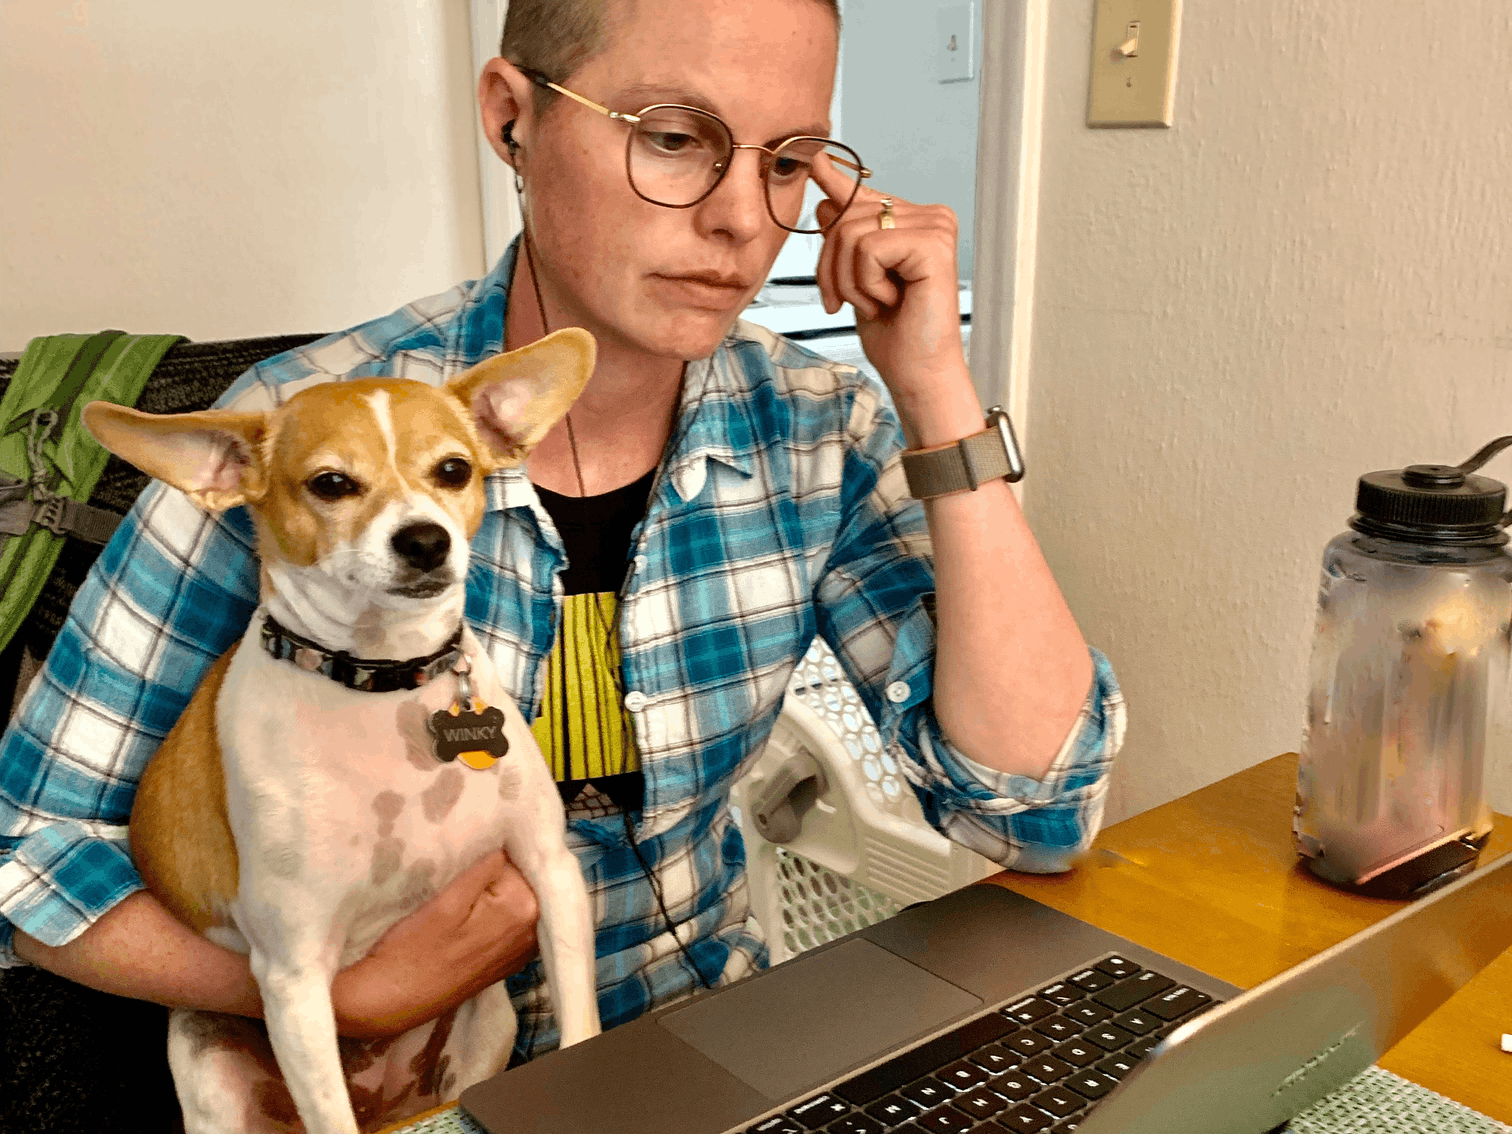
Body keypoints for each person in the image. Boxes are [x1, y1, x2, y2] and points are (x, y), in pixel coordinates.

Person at [0, 0, 1123, 1103]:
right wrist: (329, 996)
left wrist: (935, 390)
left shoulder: (818, 426)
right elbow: (29, 858)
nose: (744, 218)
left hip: (700, 1046)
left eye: (788, 163)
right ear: (512, 119)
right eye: (674, 139)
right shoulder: (299, 441)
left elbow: (1032, 811)